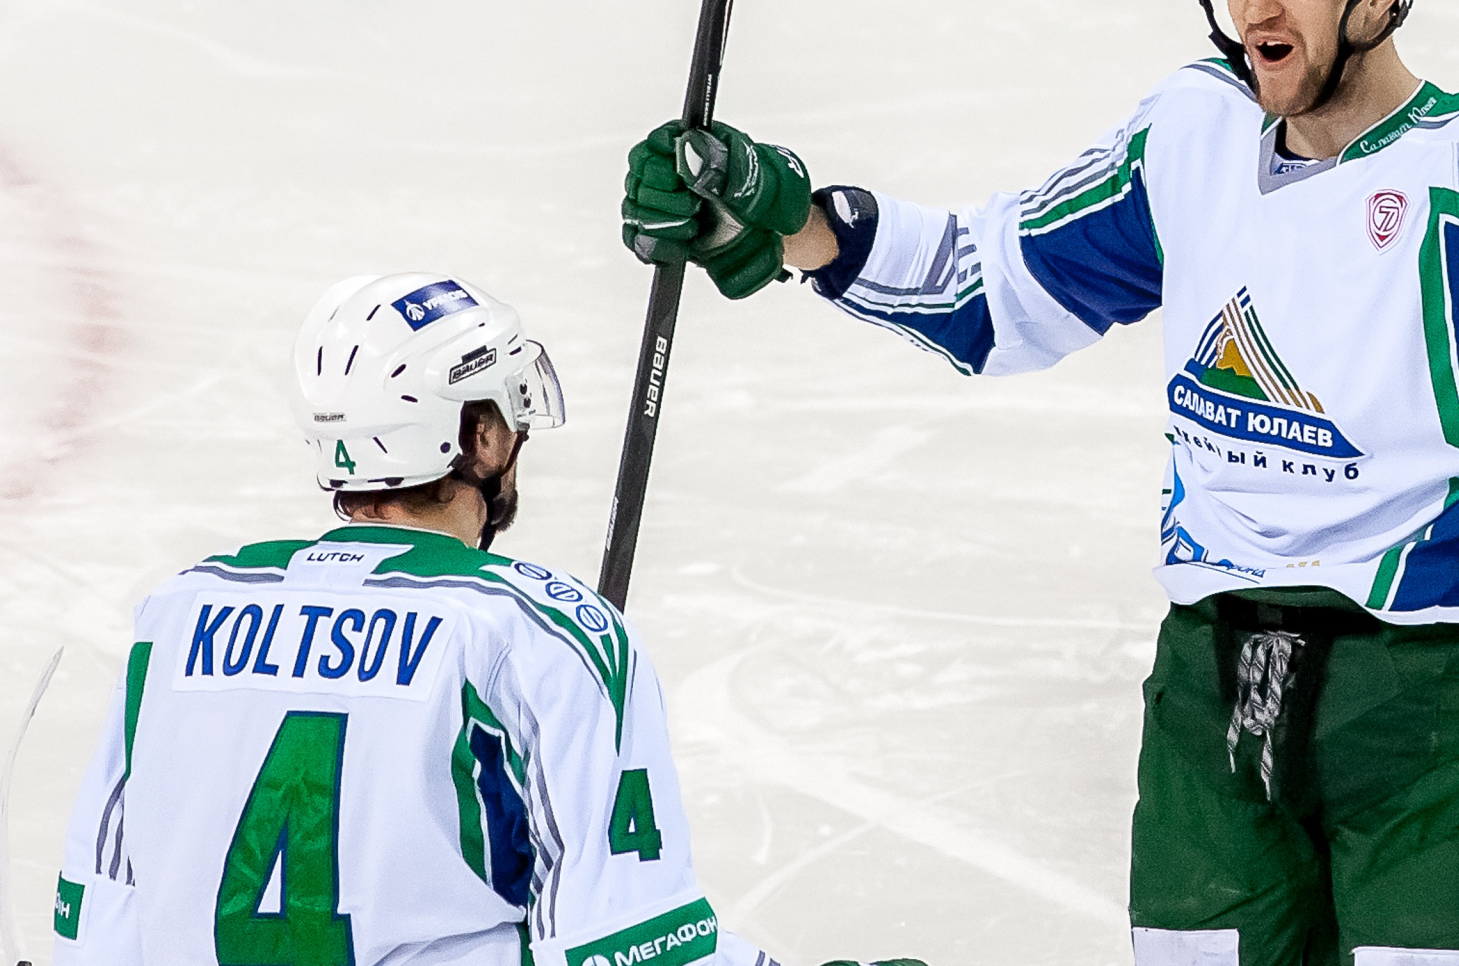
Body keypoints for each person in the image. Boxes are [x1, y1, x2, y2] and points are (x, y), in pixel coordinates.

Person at [619, 0, 1459, 965]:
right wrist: (788, 223)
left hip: (1440, 701)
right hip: (1216, 688)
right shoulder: (1190, 135)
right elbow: (991, 285)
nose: (1255, 7)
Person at [52, 273, 923, 966]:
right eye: (506, 413)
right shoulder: (538, 635)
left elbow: (99, 924)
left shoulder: (181, 613)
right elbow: (623, 950)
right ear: (478, 438)